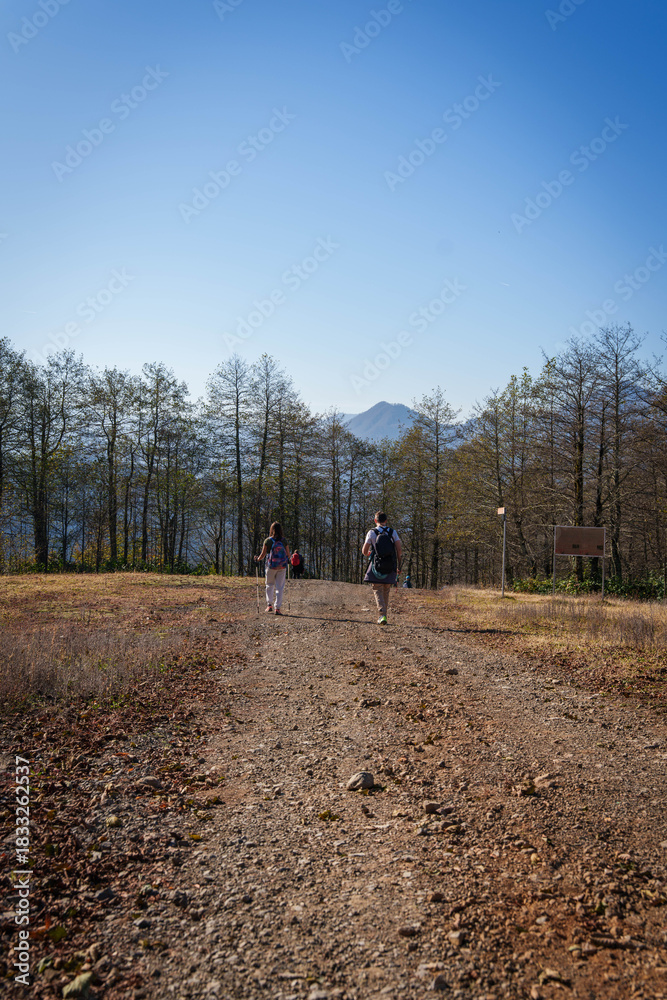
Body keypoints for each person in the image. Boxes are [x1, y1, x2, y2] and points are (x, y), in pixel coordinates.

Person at [362, 511, 402, 625]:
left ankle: (382, 615)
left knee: (377, 590)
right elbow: (399, 550)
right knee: (386, 590)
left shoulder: (371, 532)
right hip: (390, 566)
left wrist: (370, 553)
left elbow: (364, 551)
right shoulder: (393, 532)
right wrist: (399, 566)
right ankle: (384, 615)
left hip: (377, 566)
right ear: (386, 520)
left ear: (375, 520)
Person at [254, 522, 291, 615]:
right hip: (282, 567)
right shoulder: (284, 541)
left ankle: (269, 605)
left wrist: (257, 559)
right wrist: (288, 560)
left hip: (271, 566)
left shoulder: (268, 541)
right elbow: (288, 555)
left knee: (269, 585)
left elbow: (262, 555)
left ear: (271, 529)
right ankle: (277, 608)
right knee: (279, 587)